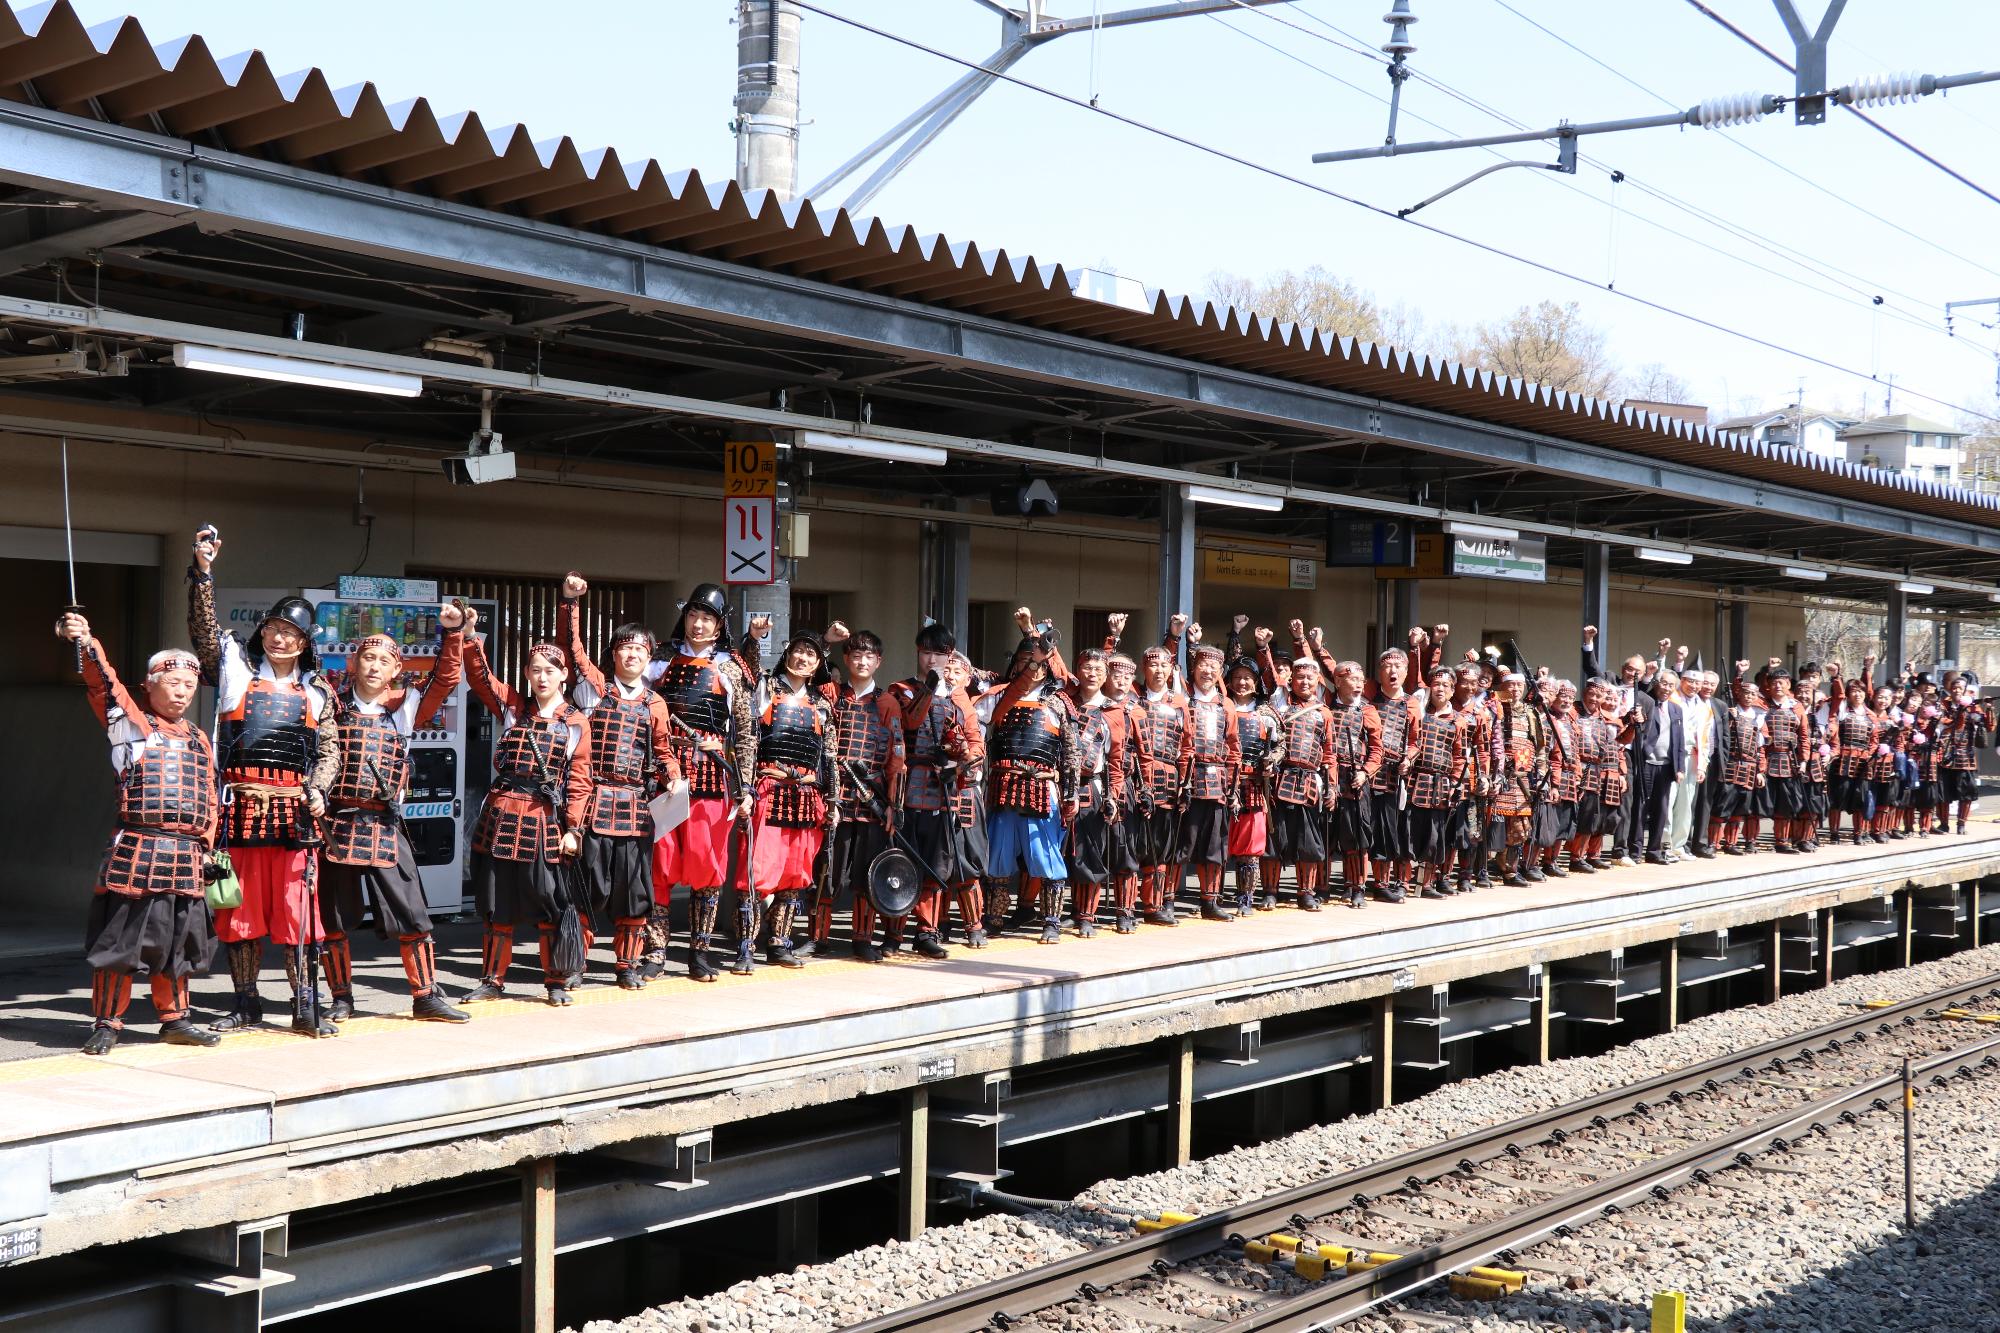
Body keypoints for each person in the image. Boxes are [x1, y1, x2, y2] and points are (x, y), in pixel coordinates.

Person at [187, 527, 338, 1037]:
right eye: (274, 627)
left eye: (290, 632)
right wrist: (203, 573)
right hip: (240, 809)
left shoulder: (318, 692)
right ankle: (246, 1003)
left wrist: (318, 787)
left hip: (295, 814)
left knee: (300, 916)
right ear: (263, 631)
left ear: (304, 642)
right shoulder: (233, 668)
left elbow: (329, 750)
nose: (279, 637)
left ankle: (305, 1005)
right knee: (239, 913)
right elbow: (205, 634)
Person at [58, 612, 221, 1055]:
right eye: (173, 682)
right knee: (121, 945)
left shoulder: (199, 738)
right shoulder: (129, 725)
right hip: (138, 850)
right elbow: (103, 684)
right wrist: (89, 643)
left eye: (189, 684)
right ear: (149, 684)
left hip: (187, 857)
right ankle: (108, 1022)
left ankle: (175, 1020)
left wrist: (207, 847)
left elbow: (208, 794)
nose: (183, 691)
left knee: (178, 946)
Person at [316, 604, 472, 1024]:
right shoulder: (328, 705)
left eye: (385, 660)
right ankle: (341, 998)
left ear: (395, 670)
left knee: (414, 912)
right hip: (337, 823)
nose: (374, 666)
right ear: (353, 663)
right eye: (368, 657)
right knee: (331, 917)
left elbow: (446, 678)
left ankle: (425, 995)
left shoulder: (404, 707)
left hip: (384, 823)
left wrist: (453, 632)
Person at [557, 574, 683, 988]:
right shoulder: (595, 691)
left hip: (634, 807)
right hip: (594, 802)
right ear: (613, 653)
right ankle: (576, 964)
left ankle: (627, 966)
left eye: (640, 648)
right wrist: (572, 603)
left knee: (634, 892)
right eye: (625, 647)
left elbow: (663, 751)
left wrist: (674, 778)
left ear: (649, 657)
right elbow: (573, 653)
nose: (632, 654)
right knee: (588, 888)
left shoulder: (655, 703)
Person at [462, 634, 593, 1005]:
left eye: (550, 671)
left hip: (544, 820)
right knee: (495, 903)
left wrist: (574, 829)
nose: (543, 677)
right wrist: (470, 639)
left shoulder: (575, 722)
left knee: (548, 901)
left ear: (564, 675)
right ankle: (492, 980)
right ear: (526, 674)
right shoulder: (514, 709)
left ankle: (554, 981)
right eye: (535, 670)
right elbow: (480, 677)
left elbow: (581, 782)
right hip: (501, 816)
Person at [651, 586, 764, 980]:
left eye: (707, 618)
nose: (698, 625)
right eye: (693, 616)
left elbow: (746, 733)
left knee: (707, 865)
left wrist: (746, 786)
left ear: (718, 625)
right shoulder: (658, 659)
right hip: (667, 776)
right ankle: (655, 951)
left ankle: (699, 952)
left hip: (713, 776)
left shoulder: (732, 668)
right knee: (660, 863)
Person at [740, 630, 841, 972]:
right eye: (798, 651)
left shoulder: (822, 703)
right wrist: (746, 789)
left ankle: (779, 943)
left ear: (817, 665)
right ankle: (745, 945)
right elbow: (750, 738)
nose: (803, 658)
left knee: (794, 874)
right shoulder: (766, 688)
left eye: (811, 655)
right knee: (759, 870)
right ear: (787, 655)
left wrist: (834, 800)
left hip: (807, 794)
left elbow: (829, 756)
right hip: (770, 787)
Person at [978, 612, 1082, 944]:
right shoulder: (999, 697)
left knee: (1044, 852)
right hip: (1003, 783)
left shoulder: (1059, 703)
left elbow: (1071, 752)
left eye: (1035, 662)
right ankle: (993, 918)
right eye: (1023, 661)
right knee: (998, 852)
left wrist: (1071, 792)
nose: (1030, 668)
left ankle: (1051, 920)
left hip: (1042, 784)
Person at [888, 623, 985, 957]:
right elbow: (910, 722)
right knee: (903, 860)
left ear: (948, 656)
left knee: (936, 863)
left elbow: (974, 743)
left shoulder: (959, 700)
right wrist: (930, 689)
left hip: (944, 789)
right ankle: (894, 933)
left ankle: (927, 933)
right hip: (909, 785)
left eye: (939, 653)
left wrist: (961, 763)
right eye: (925, 651)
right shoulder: (900, 688)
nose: (931, 659)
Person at [821, 624, 906, 962]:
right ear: (847, 658)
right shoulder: (832, 694)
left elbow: (897, 759)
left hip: (871, 798)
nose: (861, 661)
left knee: (866, 873)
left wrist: (892, 806)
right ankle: (818, 937)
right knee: (828, 869)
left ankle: (862, 938)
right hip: (836, 797)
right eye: (855, 655)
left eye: (868, 656)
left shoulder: (888, 704)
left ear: (878, 662)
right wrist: (825, 641)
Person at [1266, 657, 1341, 912]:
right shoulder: (1279, 710)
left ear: (1317, 680)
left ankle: (1306, 893)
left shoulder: (1324, 714)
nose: (1305, 682)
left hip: (1309, 782)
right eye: (1300, 677)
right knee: (1275, 839)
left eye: (1310, 677)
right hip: (1280, 780)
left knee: (1309, 841)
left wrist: (1332, 787)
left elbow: (1330, 754)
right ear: (1291, 680)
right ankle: (1270, 892)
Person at [1066, 646, 1126, 936]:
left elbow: (1117, 760)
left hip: (1093, 786)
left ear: (1106, 676)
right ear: (1078, 671)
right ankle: (1066, 912)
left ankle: (1087, 916)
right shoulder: (1065, 703)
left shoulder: (1113, 712)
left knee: (1090, 852)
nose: (1092, 674)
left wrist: (1113, 796)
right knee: (1065, 852)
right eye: (1087, 668)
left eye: (1098, 670)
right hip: (1060, 786)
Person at [1179, 644, 1242, 921]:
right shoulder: (1182, 698)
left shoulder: (1226, 704)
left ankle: (1210, 901)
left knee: (1215, 846)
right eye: (1203, 664)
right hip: (1188, 779)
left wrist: (1233, 787)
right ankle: (1166, 900)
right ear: (1194, 667)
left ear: (1220, 672)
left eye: (1213, 666)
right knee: (1182, 843)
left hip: (1217, 781)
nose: (1207, 670)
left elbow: (1234, 746)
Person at [1131, 644, 1193, 926]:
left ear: (1171, 670)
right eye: (1153, 665)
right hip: (1135, 780)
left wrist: (1185, 783)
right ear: (1144, 668)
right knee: (1133, 845)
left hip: (1167, 780)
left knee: (1161, 846)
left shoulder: (1179, 703)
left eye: (1164, 666)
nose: (1159, 671)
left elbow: (1187, 747)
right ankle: (1125, 907)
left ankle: (1154, 905)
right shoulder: (1133, 697)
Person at [1406, 665, 1470, 899]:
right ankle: (1403, 882)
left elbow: (1459, 756)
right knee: (1410, 834)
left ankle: (1426, 883)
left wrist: (1455, 782)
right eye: (1436, 684)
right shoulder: (1420, 713)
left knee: (1434, 839)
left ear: (1453, 690)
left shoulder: (1458, 721)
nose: (1440, 688)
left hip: (1441, 785)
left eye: (1445, 685)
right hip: (1416, 781)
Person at [1326, 661, 1384, 908]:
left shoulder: (1368, 711)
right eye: (1353, 679)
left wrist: (1366, 772)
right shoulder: (1327, 707)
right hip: (1329, 774)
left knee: (1357, 835)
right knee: (1327, 834)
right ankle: (1321, 887)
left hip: (1355, 777)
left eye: (1361, 680)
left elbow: (1377, 750)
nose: (1359, 684)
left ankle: (1357, 886)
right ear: (1338, 682)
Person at [1226, 653, 1279, 914]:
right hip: (1222, 781)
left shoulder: (1266, 714)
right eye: (1237, 677)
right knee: (1217, 842)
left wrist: (1272, 761)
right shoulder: (1220, 707)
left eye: (1247, 678)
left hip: (1254, 784)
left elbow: (1281, 746)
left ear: (1256, 681)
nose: (1242, 682)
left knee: (1249, 848)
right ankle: (1210, 898)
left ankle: (1245, 898)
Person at [1488, 672, 1548, 885]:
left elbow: (1540, 748)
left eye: (1518, 686)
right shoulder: (1495, 708)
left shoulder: (1532, 713)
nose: (1514, 690)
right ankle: (1482, 870)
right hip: (1499, 776)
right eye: (1510, 685)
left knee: (1520, 829)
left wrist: (1542, 775)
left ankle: (1510, 870)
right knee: (1490, 826)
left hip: (1522, 779)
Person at [1632, 670, 1684, 865]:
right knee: (1640, 808)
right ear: (1656, 683)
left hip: (1666, 765)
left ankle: (1654, 851)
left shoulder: (1676, 709)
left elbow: (1679, 740)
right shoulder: (1647, 702)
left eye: (1671, 685)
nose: (1667, 688)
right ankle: (1635, 851)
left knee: (1661, 810)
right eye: (1664, 683)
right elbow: (1638, 693)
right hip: (1646, 762)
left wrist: (1679, 768)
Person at [1712, 680, 1770, 855]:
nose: (1749, 696)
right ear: (1739, 694)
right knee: (1722, 806)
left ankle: (1731, 843)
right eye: (1746, 693)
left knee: (1740, 808)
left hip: (1750, 768)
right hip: (1731, 765)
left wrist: (1761, 770)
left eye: (1753, 694)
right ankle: (1713, 843)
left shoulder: (1759, 718)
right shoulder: (1729, 713)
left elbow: (1761, 747)